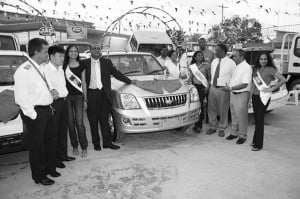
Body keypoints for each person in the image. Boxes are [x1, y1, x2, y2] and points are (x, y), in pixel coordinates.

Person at [14, 38, 55, 185]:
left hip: (47, 110)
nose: (47, 55)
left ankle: (49, 169)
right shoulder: (24, 71)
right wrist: (33, 115)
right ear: (36, 52)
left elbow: (45, 84)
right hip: (36, 114)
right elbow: (20, 97)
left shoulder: (41, 67)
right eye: (45, 52)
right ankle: (39, 176)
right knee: (37, 147)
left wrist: (53, 91)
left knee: (49, 143)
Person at [81, 43, 133, 151]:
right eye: (94, 48)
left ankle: (107, 143)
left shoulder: (107, 62)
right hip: (91, 94)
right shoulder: (84, 63)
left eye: (98, 49)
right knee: (93, 120)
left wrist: (129, 81)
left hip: (104, 95)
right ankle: (96, 143)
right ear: (90, 51)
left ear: (101, 51)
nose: (96, 50)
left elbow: (116, 73)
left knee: (105, 120)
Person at [43, 45, 76, 172]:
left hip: (63, 101)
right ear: (51, 56)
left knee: (63, 130)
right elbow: (48, 87)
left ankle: (63, 156)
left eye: (63, 56)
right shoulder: (45, 70)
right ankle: (55, 160)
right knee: (54, 133)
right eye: (60, 56)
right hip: (54, 103)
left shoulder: (60, 69)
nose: (63, 58)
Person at [251, 52, 286, 151]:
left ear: (268, 60)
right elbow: (253, 85)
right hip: (255, 96)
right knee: (256, 119)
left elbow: (283, 80)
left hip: (264, 97)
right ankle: (255, 140)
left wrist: (271, 89)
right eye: (261, 59)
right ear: (258, 59)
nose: (263, 61)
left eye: (265, 59)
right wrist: (250, 97)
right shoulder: (255, 69)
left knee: (259, 119)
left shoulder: (271, 69)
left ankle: (258, 144)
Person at [63, 45, 88, 158]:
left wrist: (85, 99)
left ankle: (84, 147)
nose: (73, 53)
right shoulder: (63, 66)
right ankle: (74, 146)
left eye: (75, 51)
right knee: (70, 123)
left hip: (79, 96)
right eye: (71, 51)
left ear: (78, 53)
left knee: (79, 123)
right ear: (68, 53)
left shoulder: (82, 65)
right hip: (67, 97)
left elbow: (83, 82)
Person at [206, 44, 236, 137]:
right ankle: (212, 127)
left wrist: (230, 87)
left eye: (217, 50)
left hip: (223, 89)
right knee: (211, 109)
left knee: (223, 110)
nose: (216, 52)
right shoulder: (214, 61)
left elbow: (234, 77)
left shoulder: (231, 63)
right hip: (213, 88)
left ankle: (222, 128)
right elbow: (212, 74)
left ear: (223, 51)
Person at [223, 49, 252, 144]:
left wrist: (230, 88)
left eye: (235, 56)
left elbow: (245, 83)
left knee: (241, 116)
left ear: (242, 57)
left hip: (241, 94)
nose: (233, 58)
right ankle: (234, 133)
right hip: (234, 93)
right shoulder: (238, 66)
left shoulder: (246, 67)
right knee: (234, 115)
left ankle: (243, 136)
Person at [188, 51, 210, 133]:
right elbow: (191, 77)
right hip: (194, 87)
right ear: (195, 57)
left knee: (199, 105)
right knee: (195, 106)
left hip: (202, 87)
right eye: (198, 55)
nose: (200, 56)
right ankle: (195, 124)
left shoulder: (206, 65)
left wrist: (208, 87)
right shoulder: (192, 67)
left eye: (201, 55)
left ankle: (199, 126)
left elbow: (209, 78)